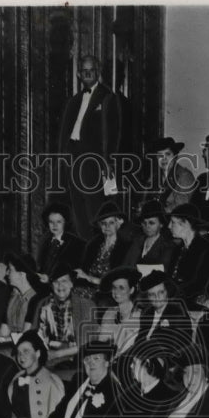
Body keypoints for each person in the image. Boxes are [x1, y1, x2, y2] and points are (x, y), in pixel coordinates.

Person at [57, 54, 123, 239]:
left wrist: (108, 160)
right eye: (84, 71)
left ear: (98, 72)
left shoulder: (107, 97)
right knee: (77, 206)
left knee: (94, 206)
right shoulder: (74, 100)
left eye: (91, 71)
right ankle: (83, 247)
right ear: (78, 74)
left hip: (93, 159)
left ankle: (96, 247)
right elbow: (65, 131)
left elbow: (114, 132)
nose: (87, 74)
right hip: (73, 156)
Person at [33, 264, 97, 368]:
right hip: (45, 358)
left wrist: (56, 355)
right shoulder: (43, 304)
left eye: (64, 281)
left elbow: (85, 345)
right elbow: (35, 335)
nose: (60, 286)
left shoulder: (86, 306)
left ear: (72, 284)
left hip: (74, 362)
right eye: (56, 282)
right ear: (51, 285)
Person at [7, 330, 66, 418]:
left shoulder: (51, 381)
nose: (21, 356)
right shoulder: (17, 378)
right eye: (19, 353)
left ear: (38, 353)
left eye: (26, 351)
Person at [73, 201, 132, 300]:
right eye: (103, 223)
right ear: (99, 226)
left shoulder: (125, 247)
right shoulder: (93, 244)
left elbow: (119, 278)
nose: (107, 226)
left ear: (118, 224)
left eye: (111, 222)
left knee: (78, 296)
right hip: (86, 285)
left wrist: (90, 279)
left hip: (108, 290)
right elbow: (83, 269)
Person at [167, 203, 209, 303]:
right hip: (174, 297)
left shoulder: (207, 249)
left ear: (186, 224)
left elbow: (199, 284)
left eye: (173, 222)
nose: (169, 226)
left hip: (191, 300)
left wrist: (171, 295)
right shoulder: (178, 249)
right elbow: (170, 276)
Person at [134, 270, 192, 353]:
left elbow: (181, 344)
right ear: (148, 297)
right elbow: (139, 339)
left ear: (167, 292)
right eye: (152, 294)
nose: (157, 297)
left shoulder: (177, 312)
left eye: (160, 292)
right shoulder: (147, 314)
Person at [97, 267, 142, 356]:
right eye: (114, 287)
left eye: (121, 288)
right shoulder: (109, 313)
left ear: (132, 290)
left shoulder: (139, 316)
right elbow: (101, 342)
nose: (116, 292)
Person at [35, 202, 85, 283]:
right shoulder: (43, 242)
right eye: (51, 222)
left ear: (65, 222)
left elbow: (77, 272)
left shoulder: (77, 244)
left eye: (58, 222)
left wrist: (50, 279)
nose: (54, 225)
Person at [145, 135, 196, 213]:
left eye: (168, 154)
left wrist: (156, 213)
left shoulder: (184, 176)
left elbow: (181, 207)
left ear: (175, 156)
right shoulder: (153, 177)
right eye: (160, 155)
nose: (164, 159)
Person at [122, 199, 176, 271]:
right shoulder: (136, 242)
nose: (147, 226)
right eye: (144, 223)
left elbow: (163, 272)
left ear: (161, 224)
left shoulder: (167, 246)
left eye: (151, 223)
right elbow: (124, 267)